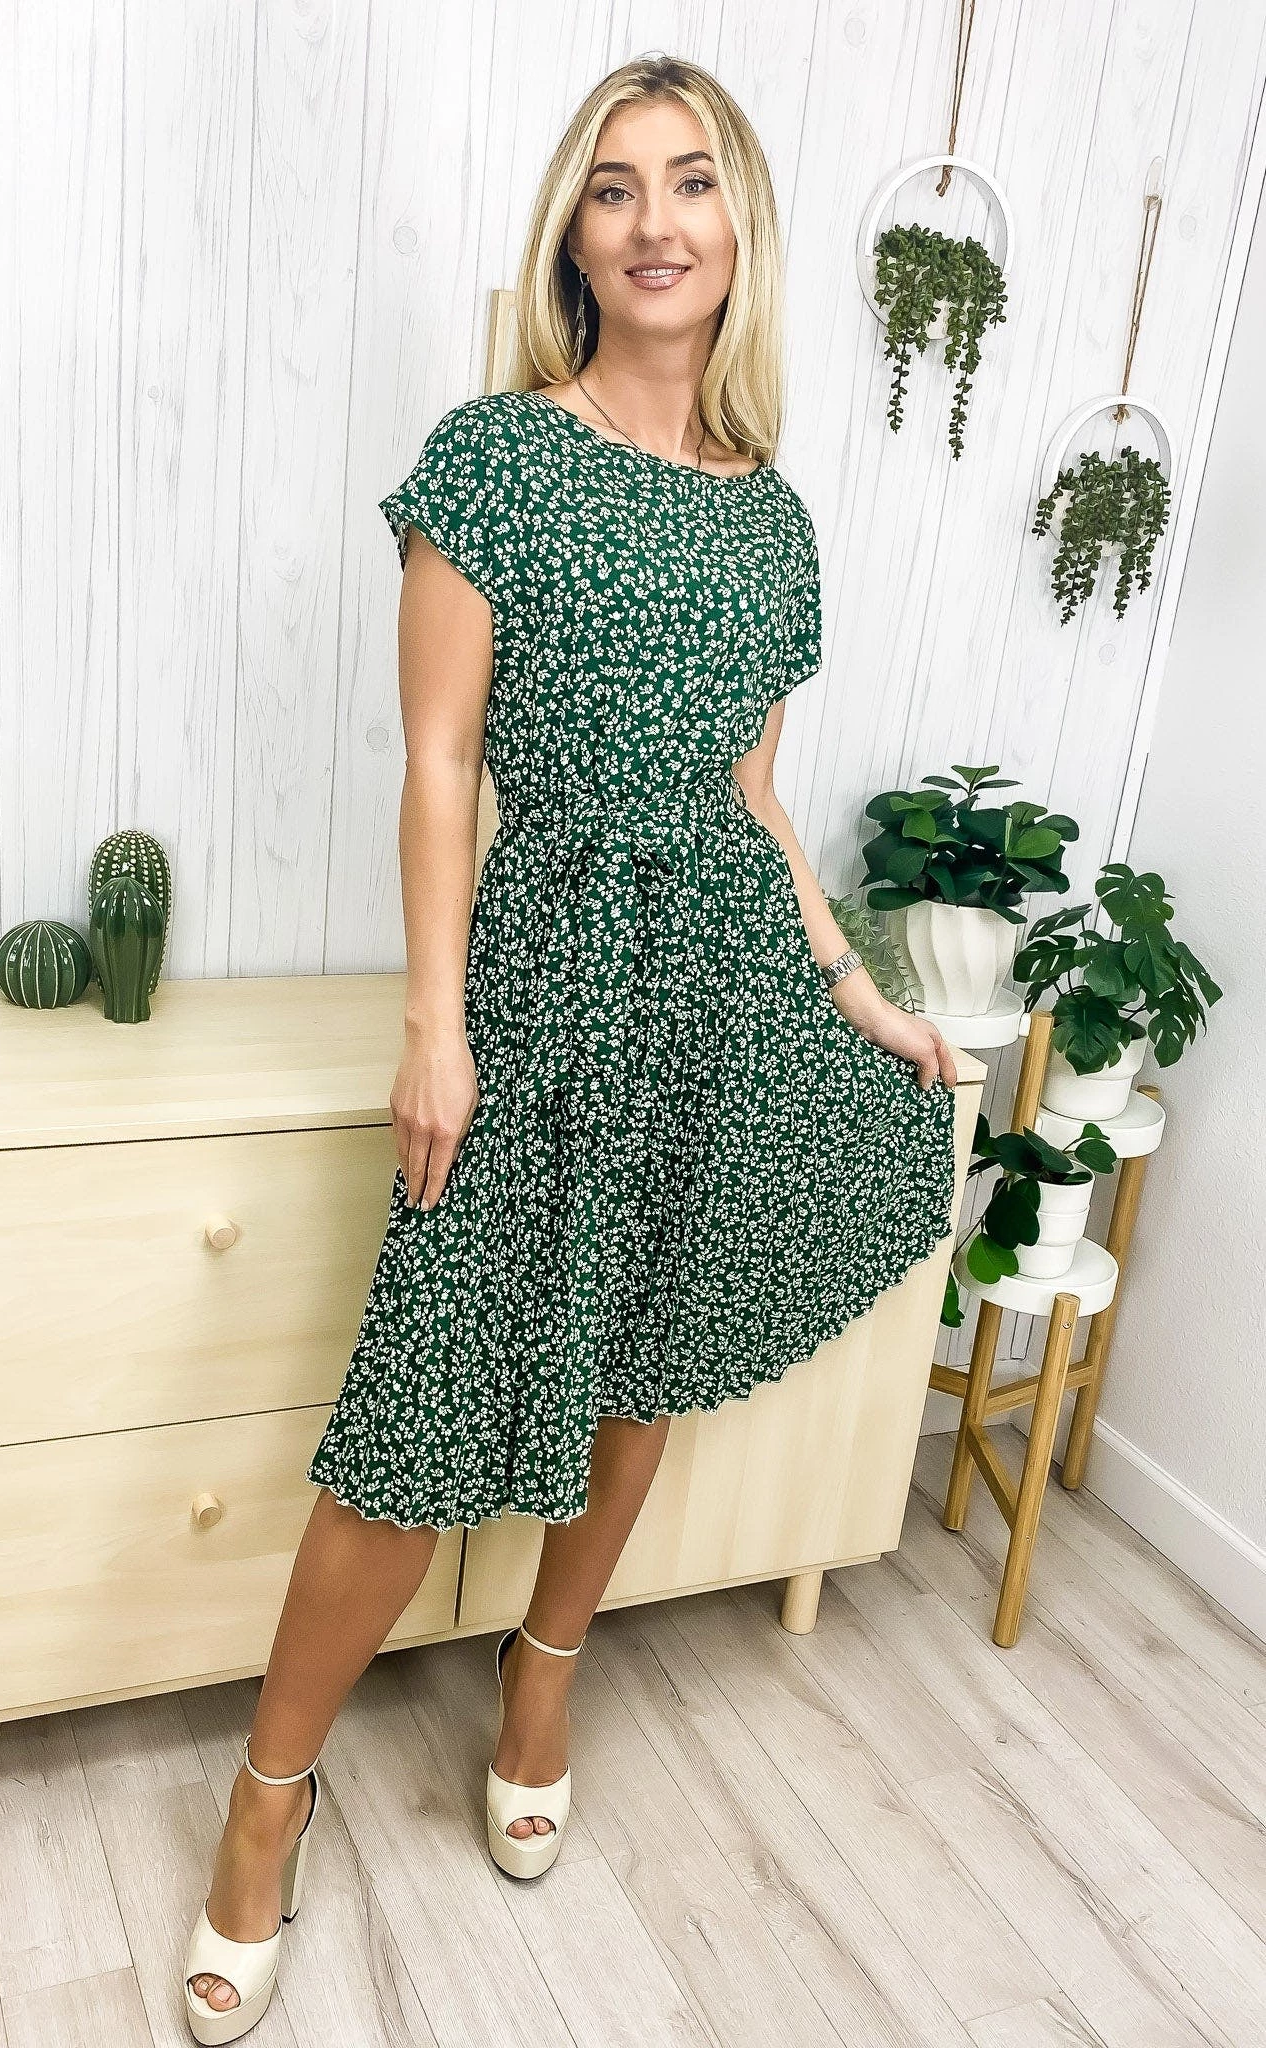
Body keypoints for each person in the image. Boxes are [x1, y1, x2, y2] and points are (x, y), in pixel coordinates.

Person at [184, 51, 958, 2039]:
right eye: (612, 188)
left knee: (645, 1354)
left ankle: (545, 1675)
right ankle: (268, 1796)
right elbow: (439, 763)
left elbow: (752, 799)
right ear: (573, 237)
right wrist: (433, 1026)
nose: (653, 220)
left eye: (689, 182)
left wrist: (854, 989)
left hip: (714, 978)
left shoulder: (773, 523)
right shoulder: (495, 462)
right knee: (417, 1408)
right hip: (539, 974)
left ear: (738, 228)